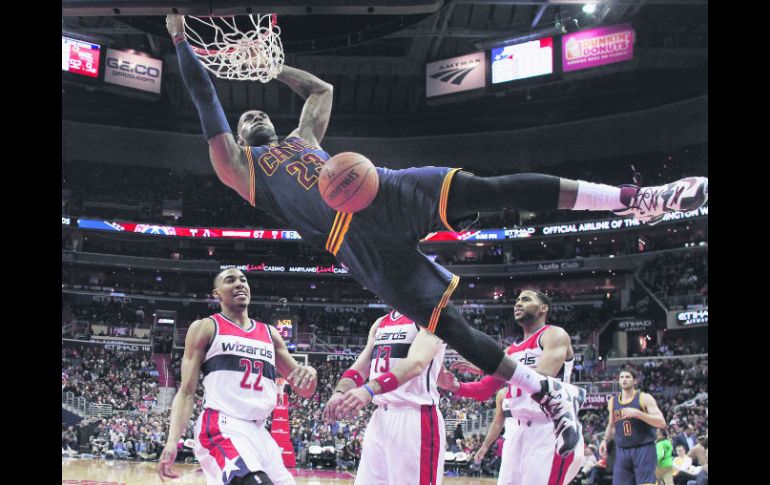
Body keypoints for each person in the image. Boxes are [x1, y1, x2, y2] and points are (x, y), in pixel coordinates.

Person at [165, 14, 708, 457]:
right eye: (246, 117)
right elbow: (206, 101)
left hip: (379, 188)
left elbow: (321, 89)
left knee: (488, 189)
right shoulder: (237, 165)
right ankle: (544, 390)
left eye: (260, 110)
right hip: (352, 239)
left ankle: (634, 199)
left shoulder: (302, 135)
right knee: (449, 326)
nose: (254, 113)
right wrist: (180, 39)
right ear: (238, 136)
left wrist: (273, 66)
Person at [157, 268, 318, 485]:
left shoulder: (270, 333)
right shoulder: (206, 327)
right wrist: (172, 441)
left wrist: (311, 374)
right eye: (230, 280)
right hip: (222, 426)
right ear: (217, 294)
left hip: (261, 433)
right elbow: (186, 392)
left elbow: (305, 390)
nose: (239, 284)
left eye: (243, 280)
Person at [438, 289, 584, 485]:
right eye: (516, 300)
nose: (518, 304)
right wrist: (456, 386)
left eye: (526, 299)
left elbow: (541, 379)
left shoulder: (554, 334)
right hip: (516, 429)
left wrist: (492, 368)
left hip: (549, 427)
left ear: (543, 308)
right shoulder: (510, 350)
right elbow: (484, 390)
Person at [322, 310, 447, 485]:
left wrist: (369, 390)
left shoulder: (430, 315)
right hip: (380, 417)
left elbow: (416, 363)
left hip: (414, 416)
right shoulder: (380, 323)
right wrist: (339, 392)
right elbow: (360, 368)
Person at [599, 369, 667, 485]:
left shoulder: (644, 398)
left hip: (644, 448)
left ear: (635, 381)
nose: (624, 379)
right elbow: (611, 426)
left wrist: (638, 414)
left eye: (627, 377)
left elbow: (661, 422)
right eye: (621, 377)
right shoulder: (613, 402)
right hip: (621, 450)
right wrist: (605, 440)